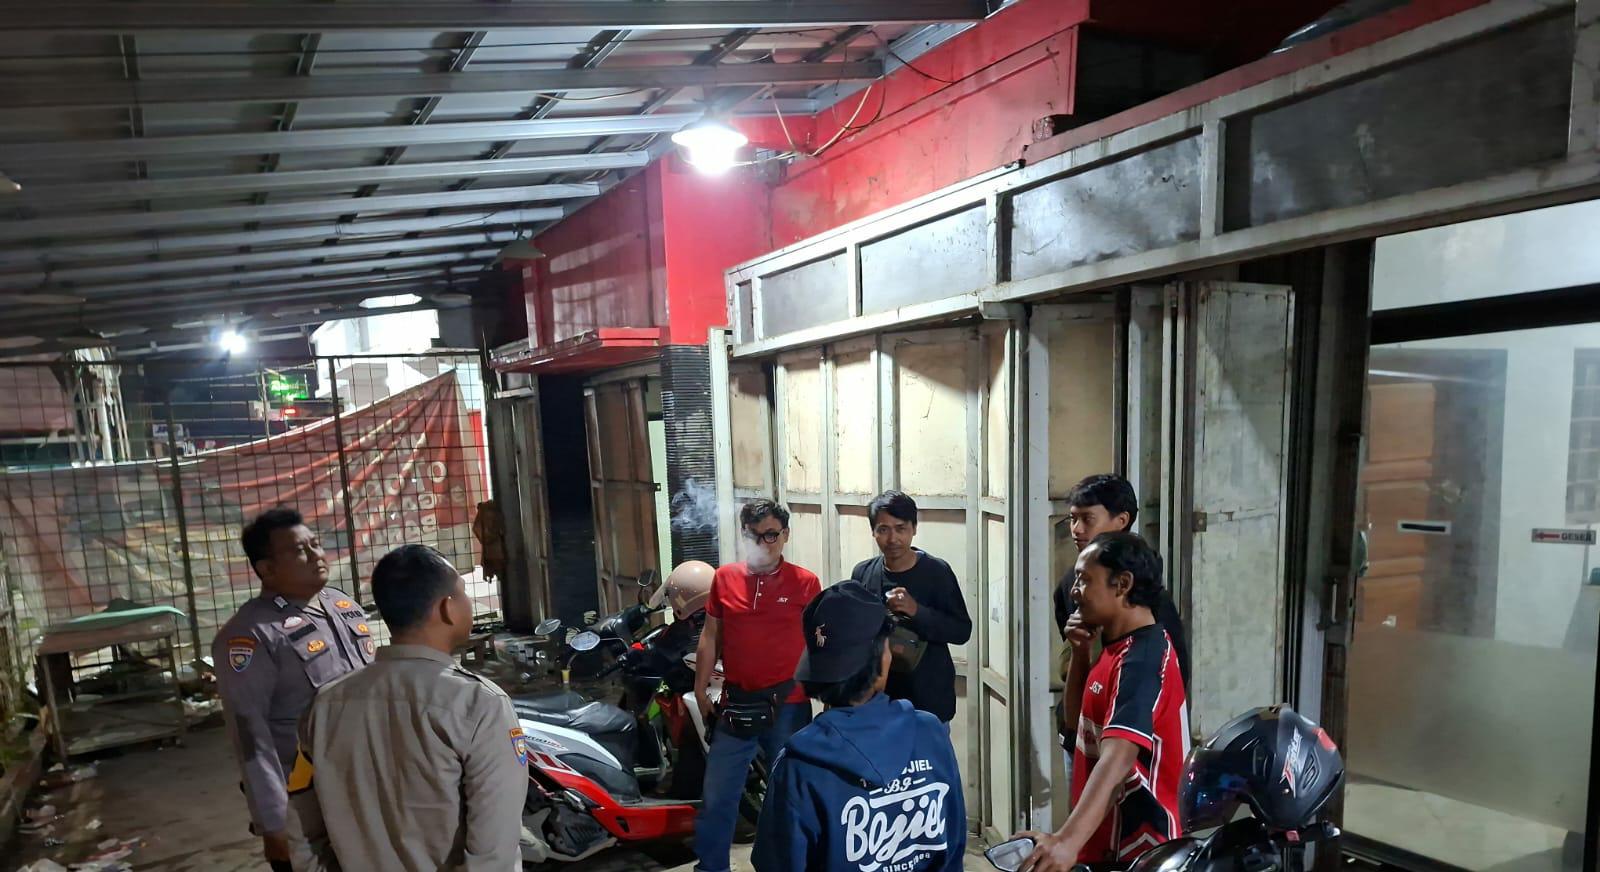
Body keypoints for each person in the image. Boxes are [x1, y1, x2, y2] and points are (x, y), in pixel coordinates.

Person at [286, 544, 526, 870]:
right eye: (463, 593)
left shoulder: (325, 704)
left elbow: (303, 828)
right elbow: (493, 855)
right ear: (447, 609)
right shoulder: (479, 705)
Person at [752, 581, 966, 872]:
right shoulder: (929, 734)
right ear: (882, 661)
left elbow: (778, 863)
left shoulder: (798, 766)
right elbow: (953, 843)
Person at [1014, 532, 1188, 870]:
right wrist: (1080, 654)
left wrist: (1066, 841)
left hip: (1137, 850)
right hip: (1103, 841)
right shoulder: (1114, 648)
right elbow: (1075, 724)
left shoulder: (1142, 661)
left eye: (1084, 579)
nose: (1074, 591)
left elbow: (1118, 757)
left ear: (1122, 584)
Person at [213, 507, 374, 871]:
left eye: (316, 544)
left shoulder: (342, 605)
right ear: (267, 569)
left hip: (367, 780)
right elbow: (250, 736)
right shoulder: (250, 634)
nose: (317, 555)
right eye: (300, 550)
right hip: (307, 797)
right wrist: (273, 822)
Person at [692, 499, 821, 872]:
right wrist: (700, 688)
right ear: (743, 535)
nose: (764, 544)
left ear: (785, 535)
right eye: (754, 535)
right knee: (717, 797)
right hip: (737, 704)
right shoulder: (725, 578)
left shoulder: (806, 583)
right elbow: (710, 635)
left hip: (790, 705)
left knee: (790, 797)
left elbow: (819, 642)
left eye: (771, 535)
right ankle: (712, 867)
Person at [1052, 474, 1189, 743]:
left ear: (1122, 520)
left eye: (1087, 519)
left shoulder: (1150, 620)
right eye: (1072, 519)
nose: (1076, 529)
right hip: (1083, 729)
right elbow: (1072, 661)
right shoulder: (1070, 584)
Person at [849, 490, 972, 725]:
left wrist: (917, 611)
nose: (892, 538)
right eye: (883, 529)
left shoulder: (937, 572)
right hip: (879, 704)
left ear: (914, 528)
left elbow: (961, 631)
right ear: (873, 532)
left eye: (901, 528)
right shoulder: (863, 573)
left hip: (928, 704)